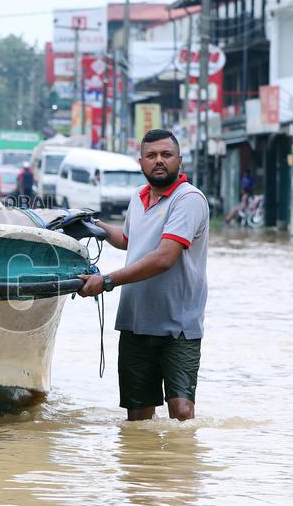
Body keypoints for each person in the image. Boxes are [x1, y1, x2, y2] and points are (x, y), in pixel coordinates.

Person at [77, 129, 209, 422]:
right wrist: (92, 225)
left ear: (180, 160)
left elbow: (164, 258)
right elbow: (128, 239)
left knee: (182, 412)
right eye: (151, 155)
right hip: (136, 322)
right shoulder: (139, 198)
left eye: (166, 155)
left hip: (178, 325)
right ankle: (144, 469)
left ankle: (180, 467)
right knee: (137, 418)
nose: (159, 161)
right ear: (141, 162)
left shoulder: (188, 200)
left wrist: (107, 280)